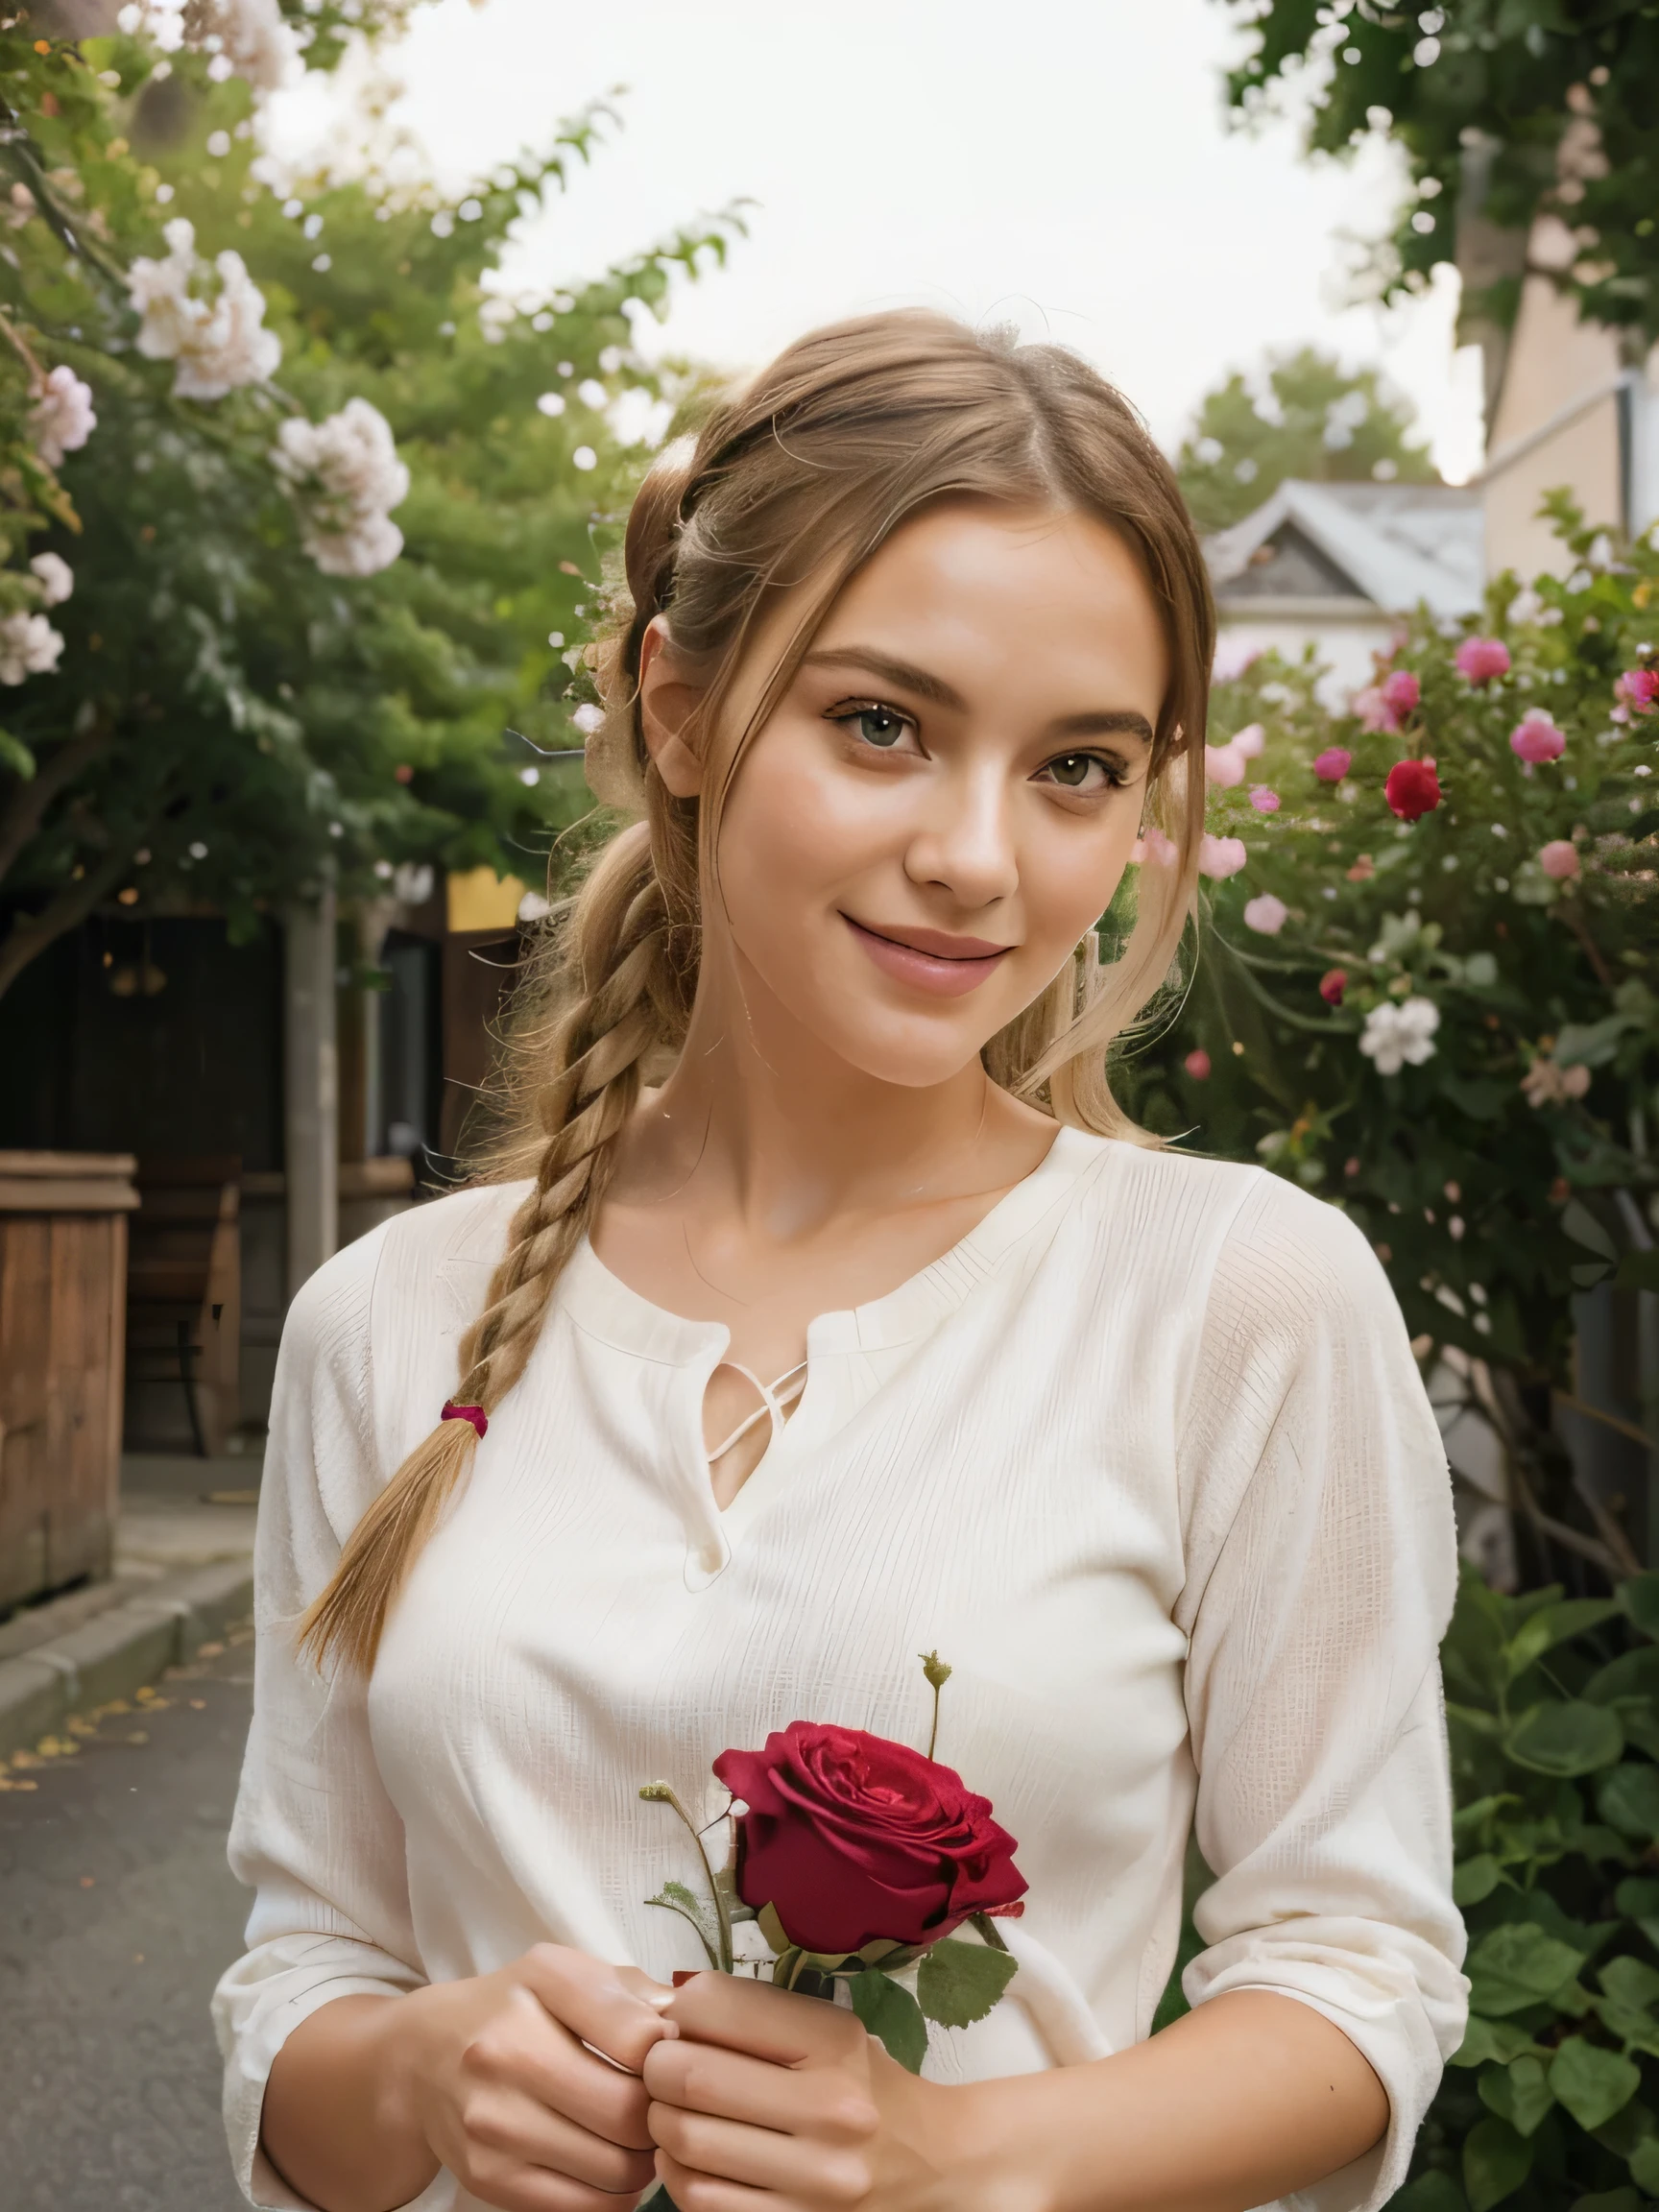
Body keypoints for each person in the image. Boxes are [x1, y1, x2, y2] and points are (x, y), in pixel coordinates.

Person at [214, 310, 1467, 2212]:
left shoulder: (1243, 1301)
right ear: (681, 704)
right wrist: (418, 2074)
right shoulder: (387, 1325)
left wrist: (956, 2151)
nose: (980, 854)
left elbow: (1356, 1980)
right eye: (883, 724)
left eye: (1077, 767)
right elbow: (302, 1987)